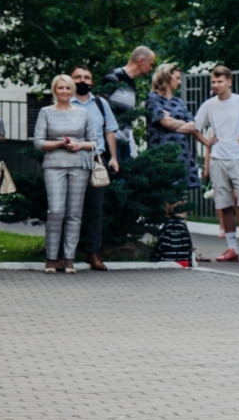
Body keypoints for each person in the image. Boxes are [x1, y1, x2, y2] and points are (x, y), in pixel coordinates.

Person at [194, 66, 239, 263]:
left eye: (220, 81)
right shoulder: (209, 105)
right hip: (217, 159)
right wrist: (206, 142)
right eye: (213, 82)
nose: (216, 85)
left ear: (229, 82)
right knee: (224, 206)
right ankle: (232, 249)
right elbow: (195, 126)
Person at [32, 74, 97, 274]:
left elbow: (94, 142)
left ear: (72, 90)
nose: (64, 92)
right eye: (60, 88)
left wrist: (79, 145)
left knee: (74, 213)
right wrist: (61, 143)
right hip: (54, 165)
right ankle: (51, 258)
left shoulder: (83, 112)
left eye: (68, 88)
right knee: (56, 211)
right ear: (54, 90)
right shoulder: (45, 112)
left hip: (79, 165)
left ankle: (69, 258)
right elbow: (38, 142)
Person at [71, 66, 120, 272]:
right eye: (78, 77)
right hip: (71, 160)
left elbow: (109, 131)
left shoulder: (101, 104)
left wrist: (114, 158)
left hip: (96, 160)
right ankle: (65, 254)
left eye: (86, 77)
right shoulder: (64, 103)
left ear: (92, 81)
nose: (82, 80)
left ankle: (93, 253)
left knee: (94, 210)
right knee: (69, 209)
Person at [145, 63, 202, 190]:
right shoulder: (153, 98)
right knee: (167, 197)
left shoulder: (178, 101)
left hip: (182, 154)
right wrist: (181, 123)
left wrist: (173, 122)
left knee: (182, 198)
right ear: (166, 77)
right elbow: (165, 122)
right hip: (163, 154)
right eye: (176, 78)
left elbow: (192, 126)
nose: (180, 82)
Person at [101, 45, 155, 161]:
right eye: (151, 64)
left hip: (125, 141)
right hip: (112, 141)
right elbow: (100, 106)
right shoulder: (114, 77)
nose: (151, 68)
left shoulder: (131, 83)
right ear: (140, 61)